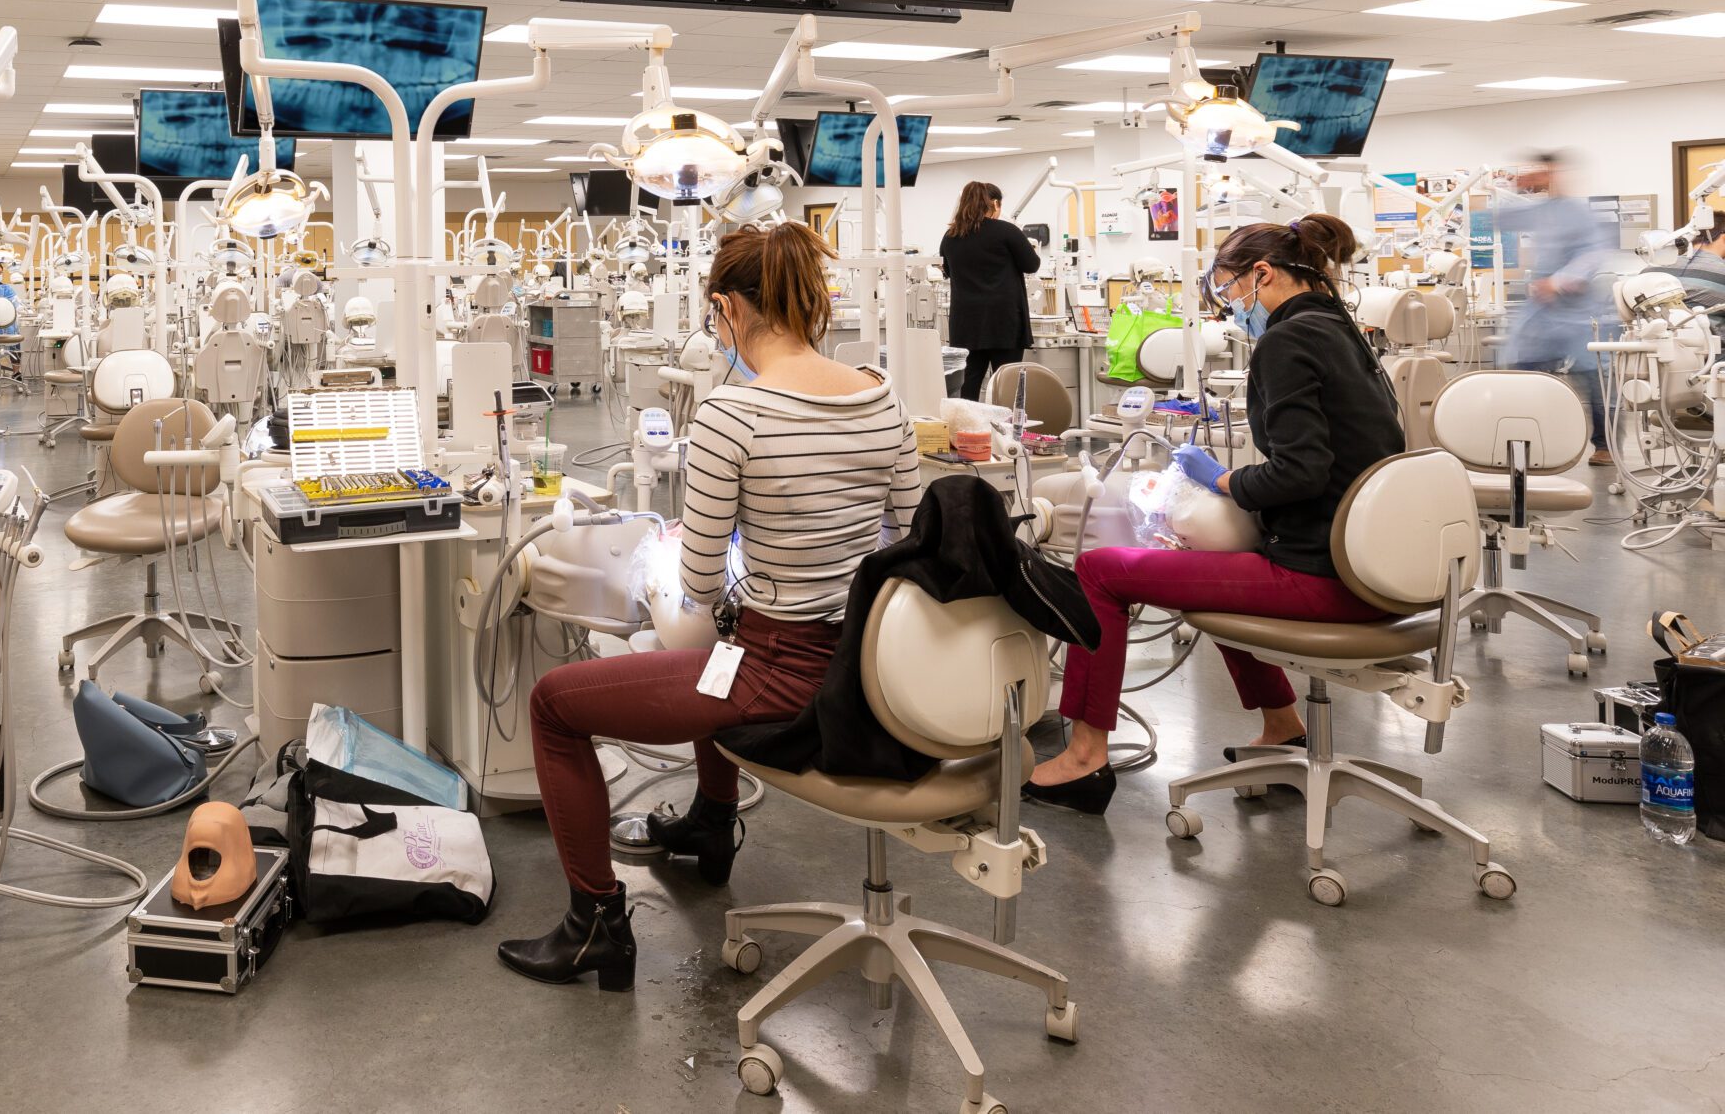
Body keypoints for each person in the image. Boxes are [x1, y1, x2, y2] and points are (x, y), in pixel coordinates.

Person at [496, 221, 924, 992]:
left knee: (557, 704)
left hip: (785, 677)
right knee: (716, 654)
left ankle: (593, 920)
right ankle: (709, 824)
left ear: (725, 309)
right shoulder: (881, 394)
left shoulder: (732, 416)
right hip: (874, 663)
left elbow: (696, 580)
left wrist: (697, 537)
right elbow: (913, 533)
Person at [1023, 214, 1404, 815]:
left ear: (1262, 274)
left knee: (1099, 570)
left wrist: (1221, 479)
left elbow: (1299, 472)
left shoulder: (1287, 339)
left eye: (1227, 292)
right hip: (1378, 566)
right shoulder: (1345, 333)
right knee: (1213, 559)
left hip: (1325, 579)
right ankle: (1282, 725)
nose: (1230, 310)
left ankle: (1084, 757)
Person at [1497, 154, 1618, 464]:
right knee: (1523, 372)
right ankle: (1524, 441)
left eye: (1551, 171)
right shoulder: (1543, 209)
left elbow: (1594, 254)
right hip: (1543, 314)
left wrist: (1561, 280)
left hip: (1580, 312)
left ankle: (1605, 446)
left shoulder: (1579, 212)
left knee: (1596, 381)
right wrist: (1517, 189)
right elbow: (1501, 220)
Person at [937, 180, 1041, 401]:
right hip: (1004, 322)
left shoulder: (951, 236)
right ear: (994, 203)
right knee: (1006, 385)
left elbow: (947, 271)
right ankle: (1005, 432)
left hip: (965, 324)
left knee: (967, 385)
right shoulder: (1007, 231)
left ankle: (967, 433)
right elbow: (1032, 265)